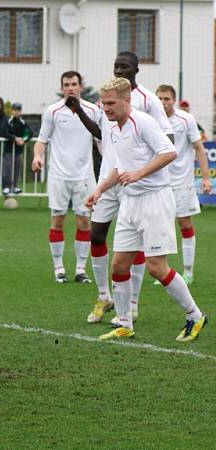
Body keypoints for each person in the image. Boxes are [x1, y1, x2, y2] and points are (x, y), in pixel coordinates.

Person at [85, 77, 207, 342]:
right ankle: (125, 323)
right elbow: (118, 168)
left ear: (127, 100)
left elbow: (169, 152)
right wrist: (99, 190)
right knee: (119, 264)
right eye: (103, 103)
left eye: (111, 103)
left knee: (156, 267)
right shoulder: (114, 128)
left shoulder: (144, 122)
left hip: (155, 200)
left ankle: (195, 316)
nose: (105, 108)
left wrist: (139, 174)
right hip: (130, 202)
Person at [73, 52, 174, 324]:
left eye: (125, 66)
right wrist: (80, 111)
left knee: (137, 244)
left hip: (137, 182)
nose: (120, 69)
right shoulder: (108, 98)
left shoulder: (148, 100)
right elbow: (102, 134)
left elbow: (167, 140)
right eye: (116, 65)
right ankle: (104, 296)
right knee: (96, 235)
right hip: (110, 176)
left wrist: (142, 169)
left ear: (136, 69)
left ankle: (131, 303)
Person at [32, 71, 99, 284]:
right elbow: (42, 139)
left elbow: (100, 140)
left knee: (84, 222)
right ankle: (59, 268)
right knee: (58, 220)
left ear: (80, 86)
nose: (70, 88)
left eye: (74, 84)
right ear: (62, 87)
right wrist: (37, 157)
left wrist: (111, 164)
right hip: (59, 175)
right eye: (66, 84)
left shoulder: (92, 110)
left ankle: (81, 269)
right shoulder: (52, 111)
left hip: (84, 175)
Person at [154, 84, 212, 285]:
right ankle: (164, 271)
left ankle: (188, 271)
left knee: (185, 224)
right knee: (162, 228)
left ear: (174, 99)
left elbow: (199, 149)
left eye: (166, 99)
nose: (163, 102)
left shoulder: (186, 119)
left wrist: (205, 178)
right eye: (160, 98)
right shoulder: (152, 120)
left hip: (183, 183)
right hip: (160, 184)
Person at [3, 103, 32, 195]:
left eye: (18, 110)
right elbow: (5, 133)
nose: (16, 112)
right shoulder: (8, 121)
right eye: (15, 110)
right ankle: (7, 187)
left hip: (18, 150)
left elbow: (29, 133)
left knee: (16, 168)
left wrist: (23, 140)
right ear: (12, 111)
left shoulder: (22, 122)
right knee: (8, 168)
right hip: (8, 149)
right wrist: (14, 138)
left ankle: (15, 186)